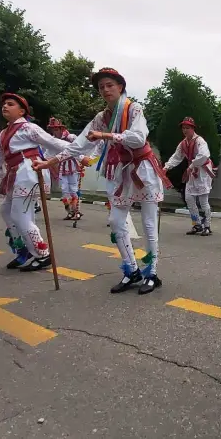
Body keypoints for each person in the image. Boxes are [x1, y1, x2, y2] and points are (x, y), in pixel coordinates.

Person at [32, 67, 172, 294]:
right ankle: (132, 270)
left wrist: (106, 136)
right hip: (121, 173)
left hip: (142, 169)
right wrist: (49, 162)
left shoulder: (134, 108)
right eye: (101, 87)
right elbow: (79, 145)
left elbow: (137, 138)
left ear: (120, 87)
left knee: (148, 223)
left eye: (110, 85)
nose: (105, 90)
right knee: (117, 222)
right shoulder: (101, 118)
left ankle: (152, 273)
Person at [0, 93, 71, 271]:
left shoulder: (29, 128)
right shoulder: (3, 134)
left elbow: (53, 142)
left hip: (29, 172)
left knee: (21, 216)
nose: (5, 106)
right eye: (4, 104)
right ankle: (24, 248)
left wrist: (82, 154)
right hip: (16, 174)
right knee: (6, 210)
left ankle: (42, 254)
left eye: (10, 104)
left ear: (21, 111)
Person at [164, 117, 215, 236]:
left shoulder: (200, 141)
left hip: (202, 172)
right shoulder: (183, 143)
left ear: (193, 128)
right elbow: (176, 157)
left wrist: (192, 164)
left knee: (203, 200)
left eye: (187, 128)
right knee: (189, 198)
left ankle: (207, 226)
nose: (185, 130)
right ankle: (196, 223)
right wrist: (166, 167)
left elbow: (204, 155)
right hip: (192, 172)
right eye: (183, 128)